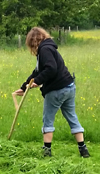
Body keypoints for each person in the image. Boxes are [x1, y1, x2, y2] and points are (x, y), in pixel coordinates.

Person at [13, 27, 89, 158]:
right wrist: (25, 86)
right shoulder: (48, 48)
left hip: (57, 90)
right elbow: (37, 71)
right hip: (69, 87)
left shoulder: (44, 50)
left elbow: (51, 69)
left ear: (33, 41)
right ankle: (83, 150)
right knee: (72, 117)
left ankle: (47, 151)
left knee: (48, 119)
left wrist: (38, 81)